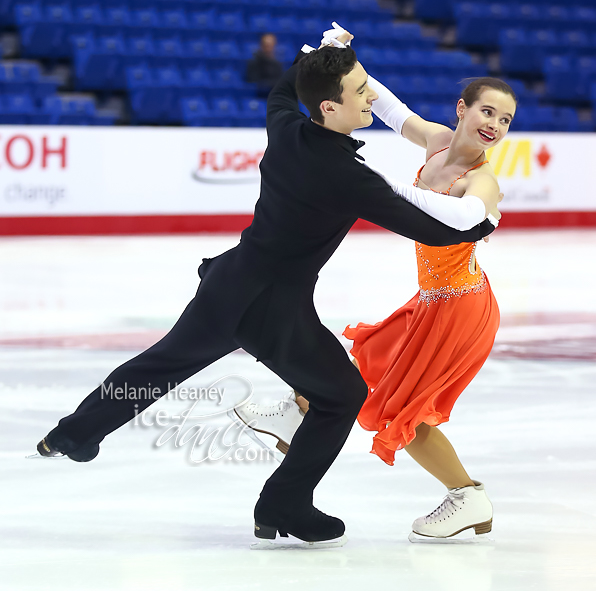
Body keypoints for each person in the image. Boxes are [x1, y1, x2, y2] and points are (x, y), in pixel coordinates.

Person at [36, 32, 498, 548]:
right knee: (341, 395)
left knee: (160, 364)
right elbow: (432, 228)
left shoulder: (286, 125)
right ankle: (285, 503)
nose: (372, 96)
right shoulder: (347, 175)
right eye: (361, 89)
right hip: (277, 310)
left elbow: (283, 91)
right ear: (330, 105)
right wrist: (485, 223)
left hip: (230, 284)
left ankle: (73, 434)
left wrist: (311, 57)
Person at [234, 25, 516, 543]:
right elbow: (381, 104)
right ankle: (298, 415)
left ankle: (468, 497)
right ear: (462, 109)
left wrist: (369, 184)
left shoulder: (482, 179)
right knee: (357, 365)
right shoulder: (435, 140)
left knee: (403, 411)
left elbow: (467, 215)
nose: (495, 124)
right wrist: (335, 55)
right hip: (431, 301)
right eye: (487, 111)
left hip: (461, 309)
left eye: (505, 119)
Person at [245, 33, 284, 98]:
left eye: (270, 46)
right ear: (261, 46)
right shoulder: (253, 63)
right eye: (266, 46)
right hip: (257, 96)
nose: (268, 49)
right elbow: (253, 81)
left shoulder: (277, 65)